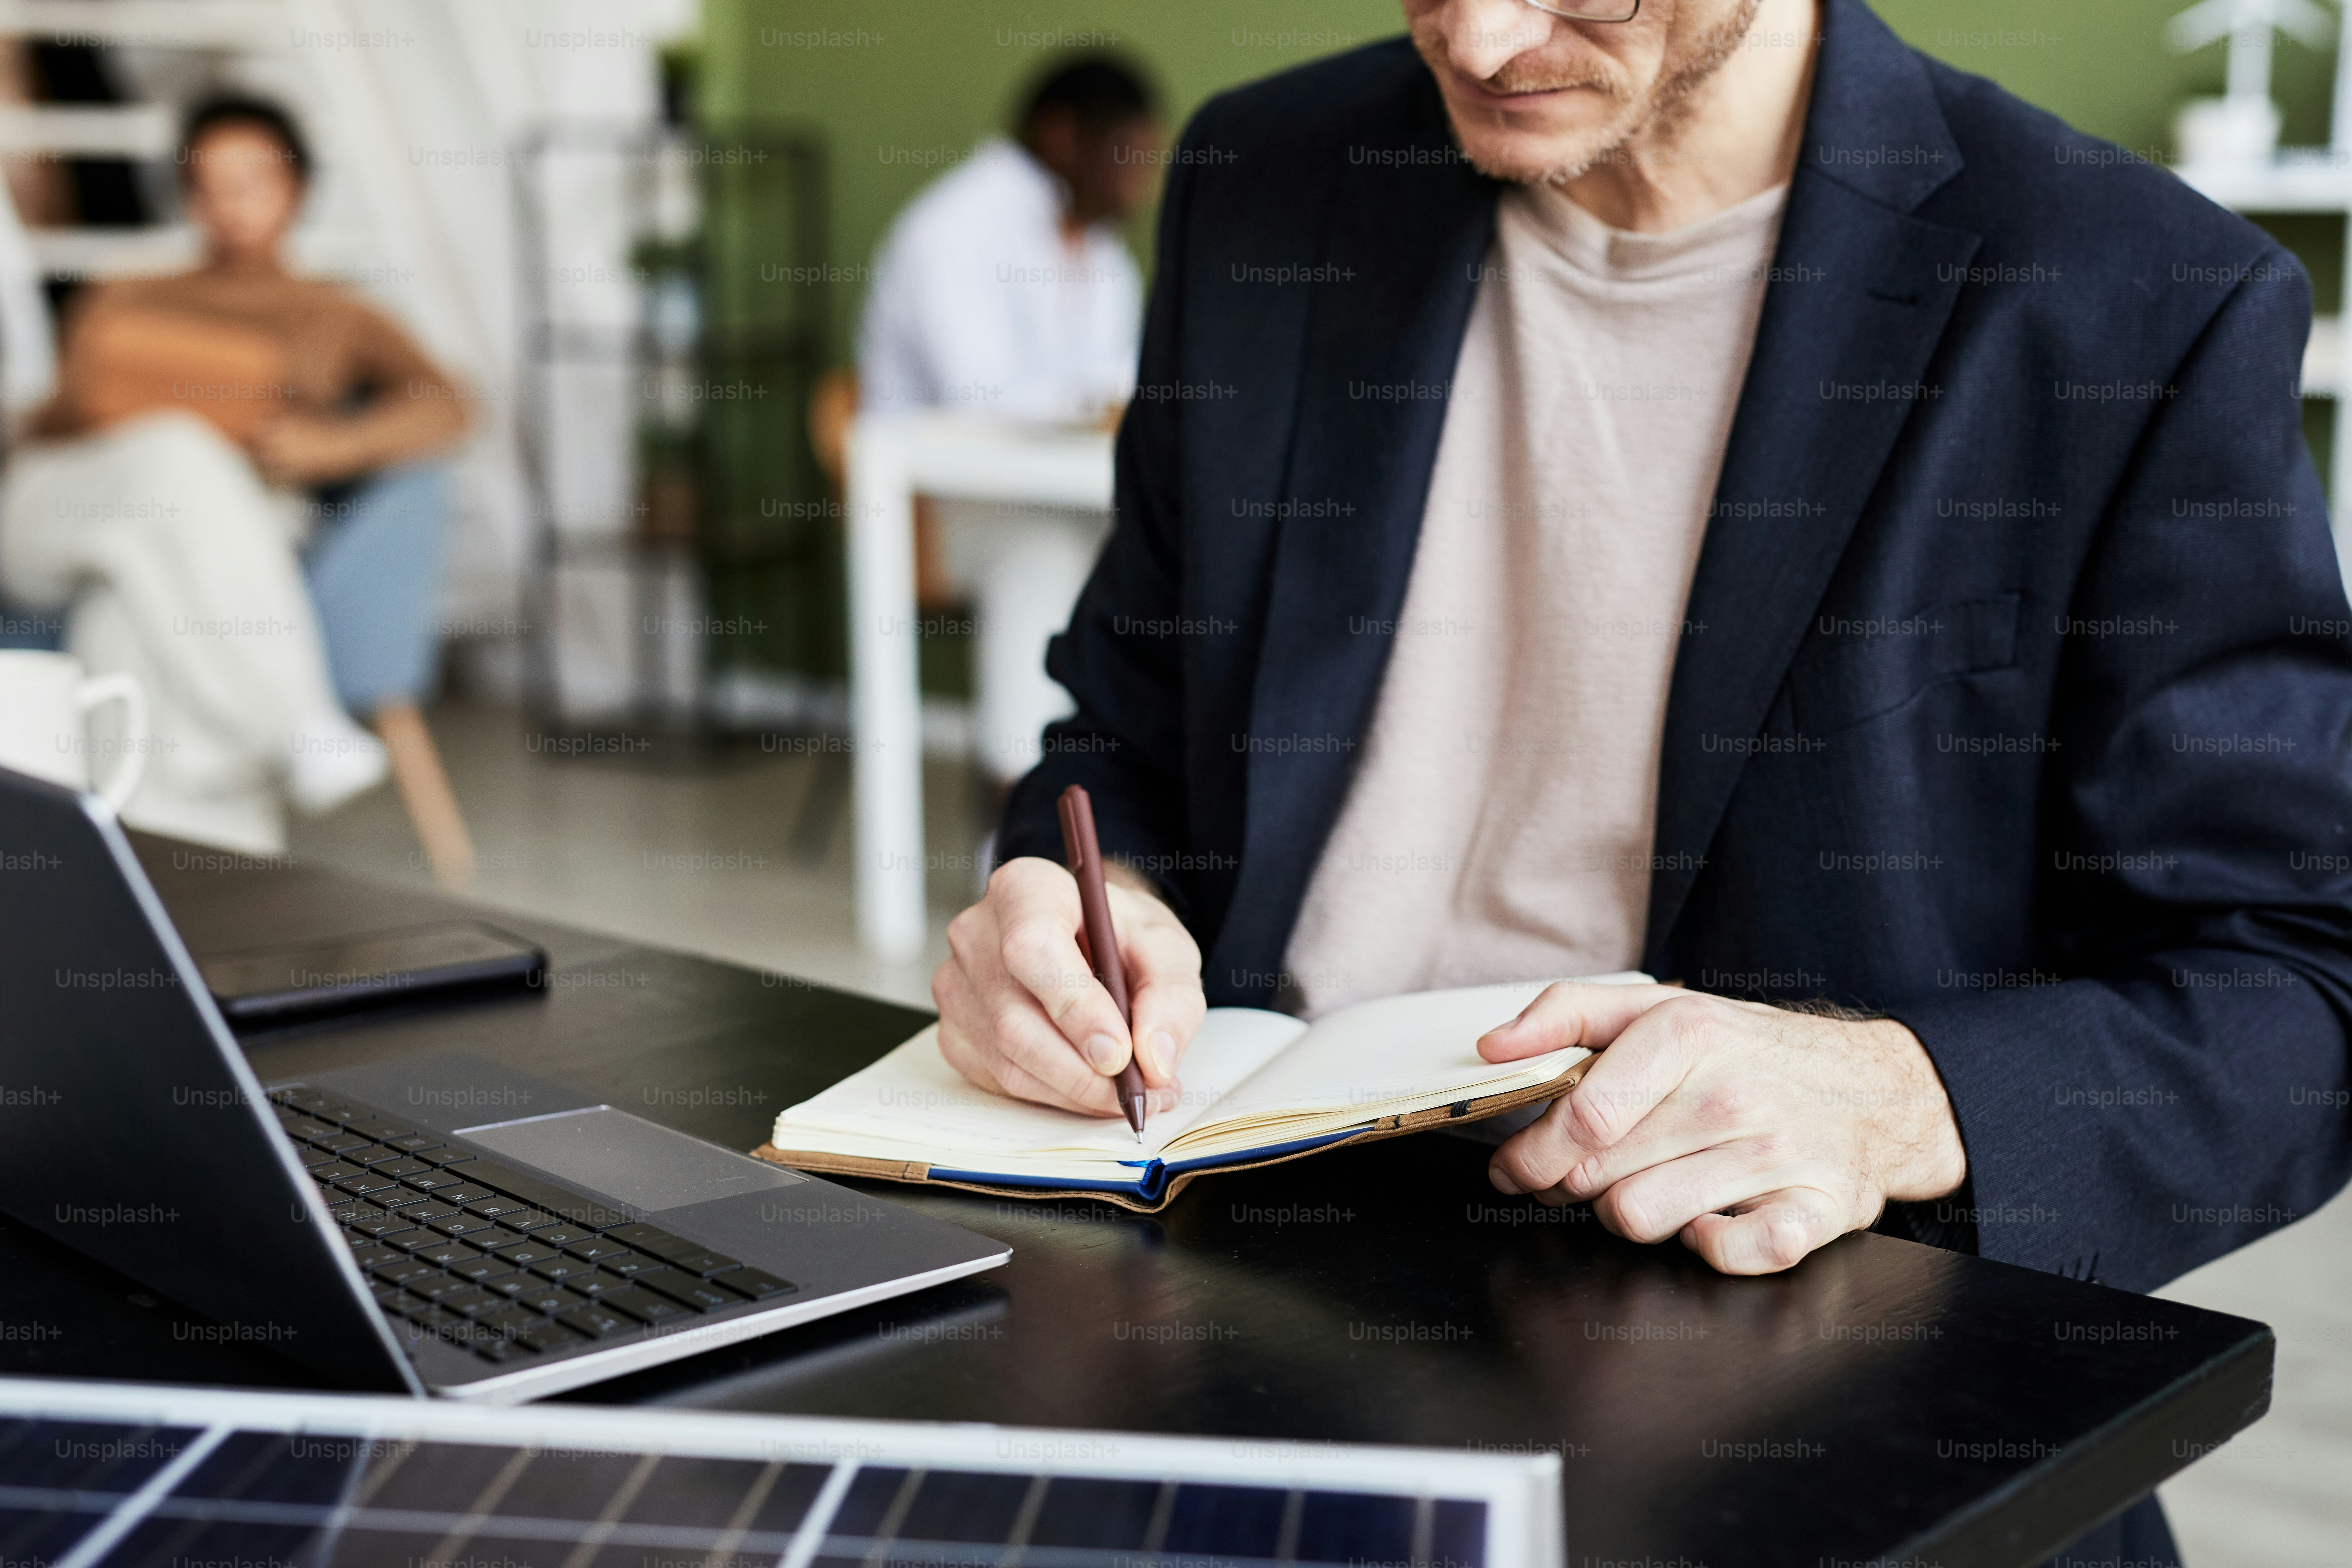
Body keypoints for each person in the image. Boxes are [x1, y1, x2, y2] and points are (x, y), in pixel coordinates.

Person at [930, 1, 2352, 1559]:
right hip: (1249, 1316)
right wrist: (1082, 899)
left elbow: (2296, 983)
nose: (1476, 41)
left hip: (1795, 1382)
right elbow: (1125, 723)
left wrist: (1903, 1100)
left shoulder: (2134, 294)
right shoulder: (1266, 178)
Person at [0, 94, 467, 851]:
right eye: (209, 185)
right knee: (176, 449)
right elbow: (47, 421)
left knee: (129, 610)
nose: (230, 205)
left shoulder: (337, 313)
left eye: (253, 182)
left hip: (189, 547)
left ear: (298, 190)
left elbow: (449, 405)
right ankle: (299, 720)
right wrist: (101, 388)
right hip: (62, 507)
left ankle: (166, 870)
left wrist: (333, 445)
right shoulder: (128, 292)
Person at [857, 55, 1163, 793]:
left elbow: (1124, 382)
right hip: (937, 511)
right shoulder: (954, 227)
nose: (1142, 181)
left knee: (1169, 555)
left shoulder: (1105, 255)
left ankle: (1137, 810)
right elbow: (981, 397)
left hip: (1063, 497)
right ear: (1062, 138)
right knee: (1046, 551)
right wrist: (1099, 405)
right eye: (1131, 154)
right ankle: (1023, 832)